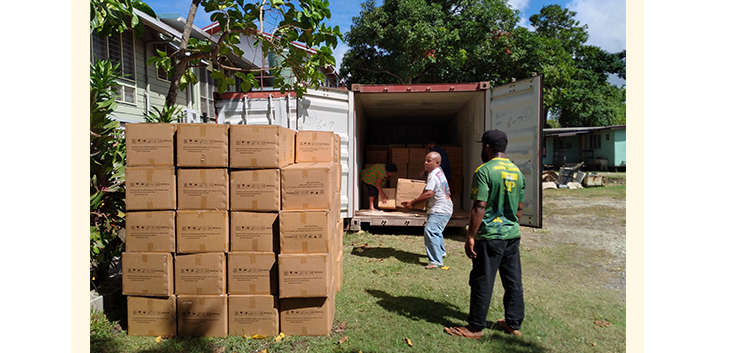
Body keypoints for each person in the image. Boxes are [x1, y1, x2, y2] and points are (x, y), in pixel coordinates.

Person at [444, 129, 526, 340]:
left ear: (487, 147)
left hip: (490, 236)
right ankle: (513, 323)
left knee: (482, 280)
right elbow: (519, 208)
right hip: (511, 235)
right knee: (513, 281)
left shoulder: (484, 171)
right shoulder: (517, 171)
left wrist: (470, 235)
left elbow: (479, 206)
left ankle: (475, 327)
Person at [402, 152, 453, 269]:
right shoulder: (438, 172)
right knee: (436, 231)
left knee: (431, 231)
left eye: (429, 161)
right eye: (425, 160)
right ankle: (441, 253)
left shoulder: (434, 175)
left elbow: (429, 193)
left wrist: (413, 202)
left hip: (440, 209)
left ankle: (436, 261)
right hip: (444, 208)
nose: (425, 163)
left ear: (437, 163)